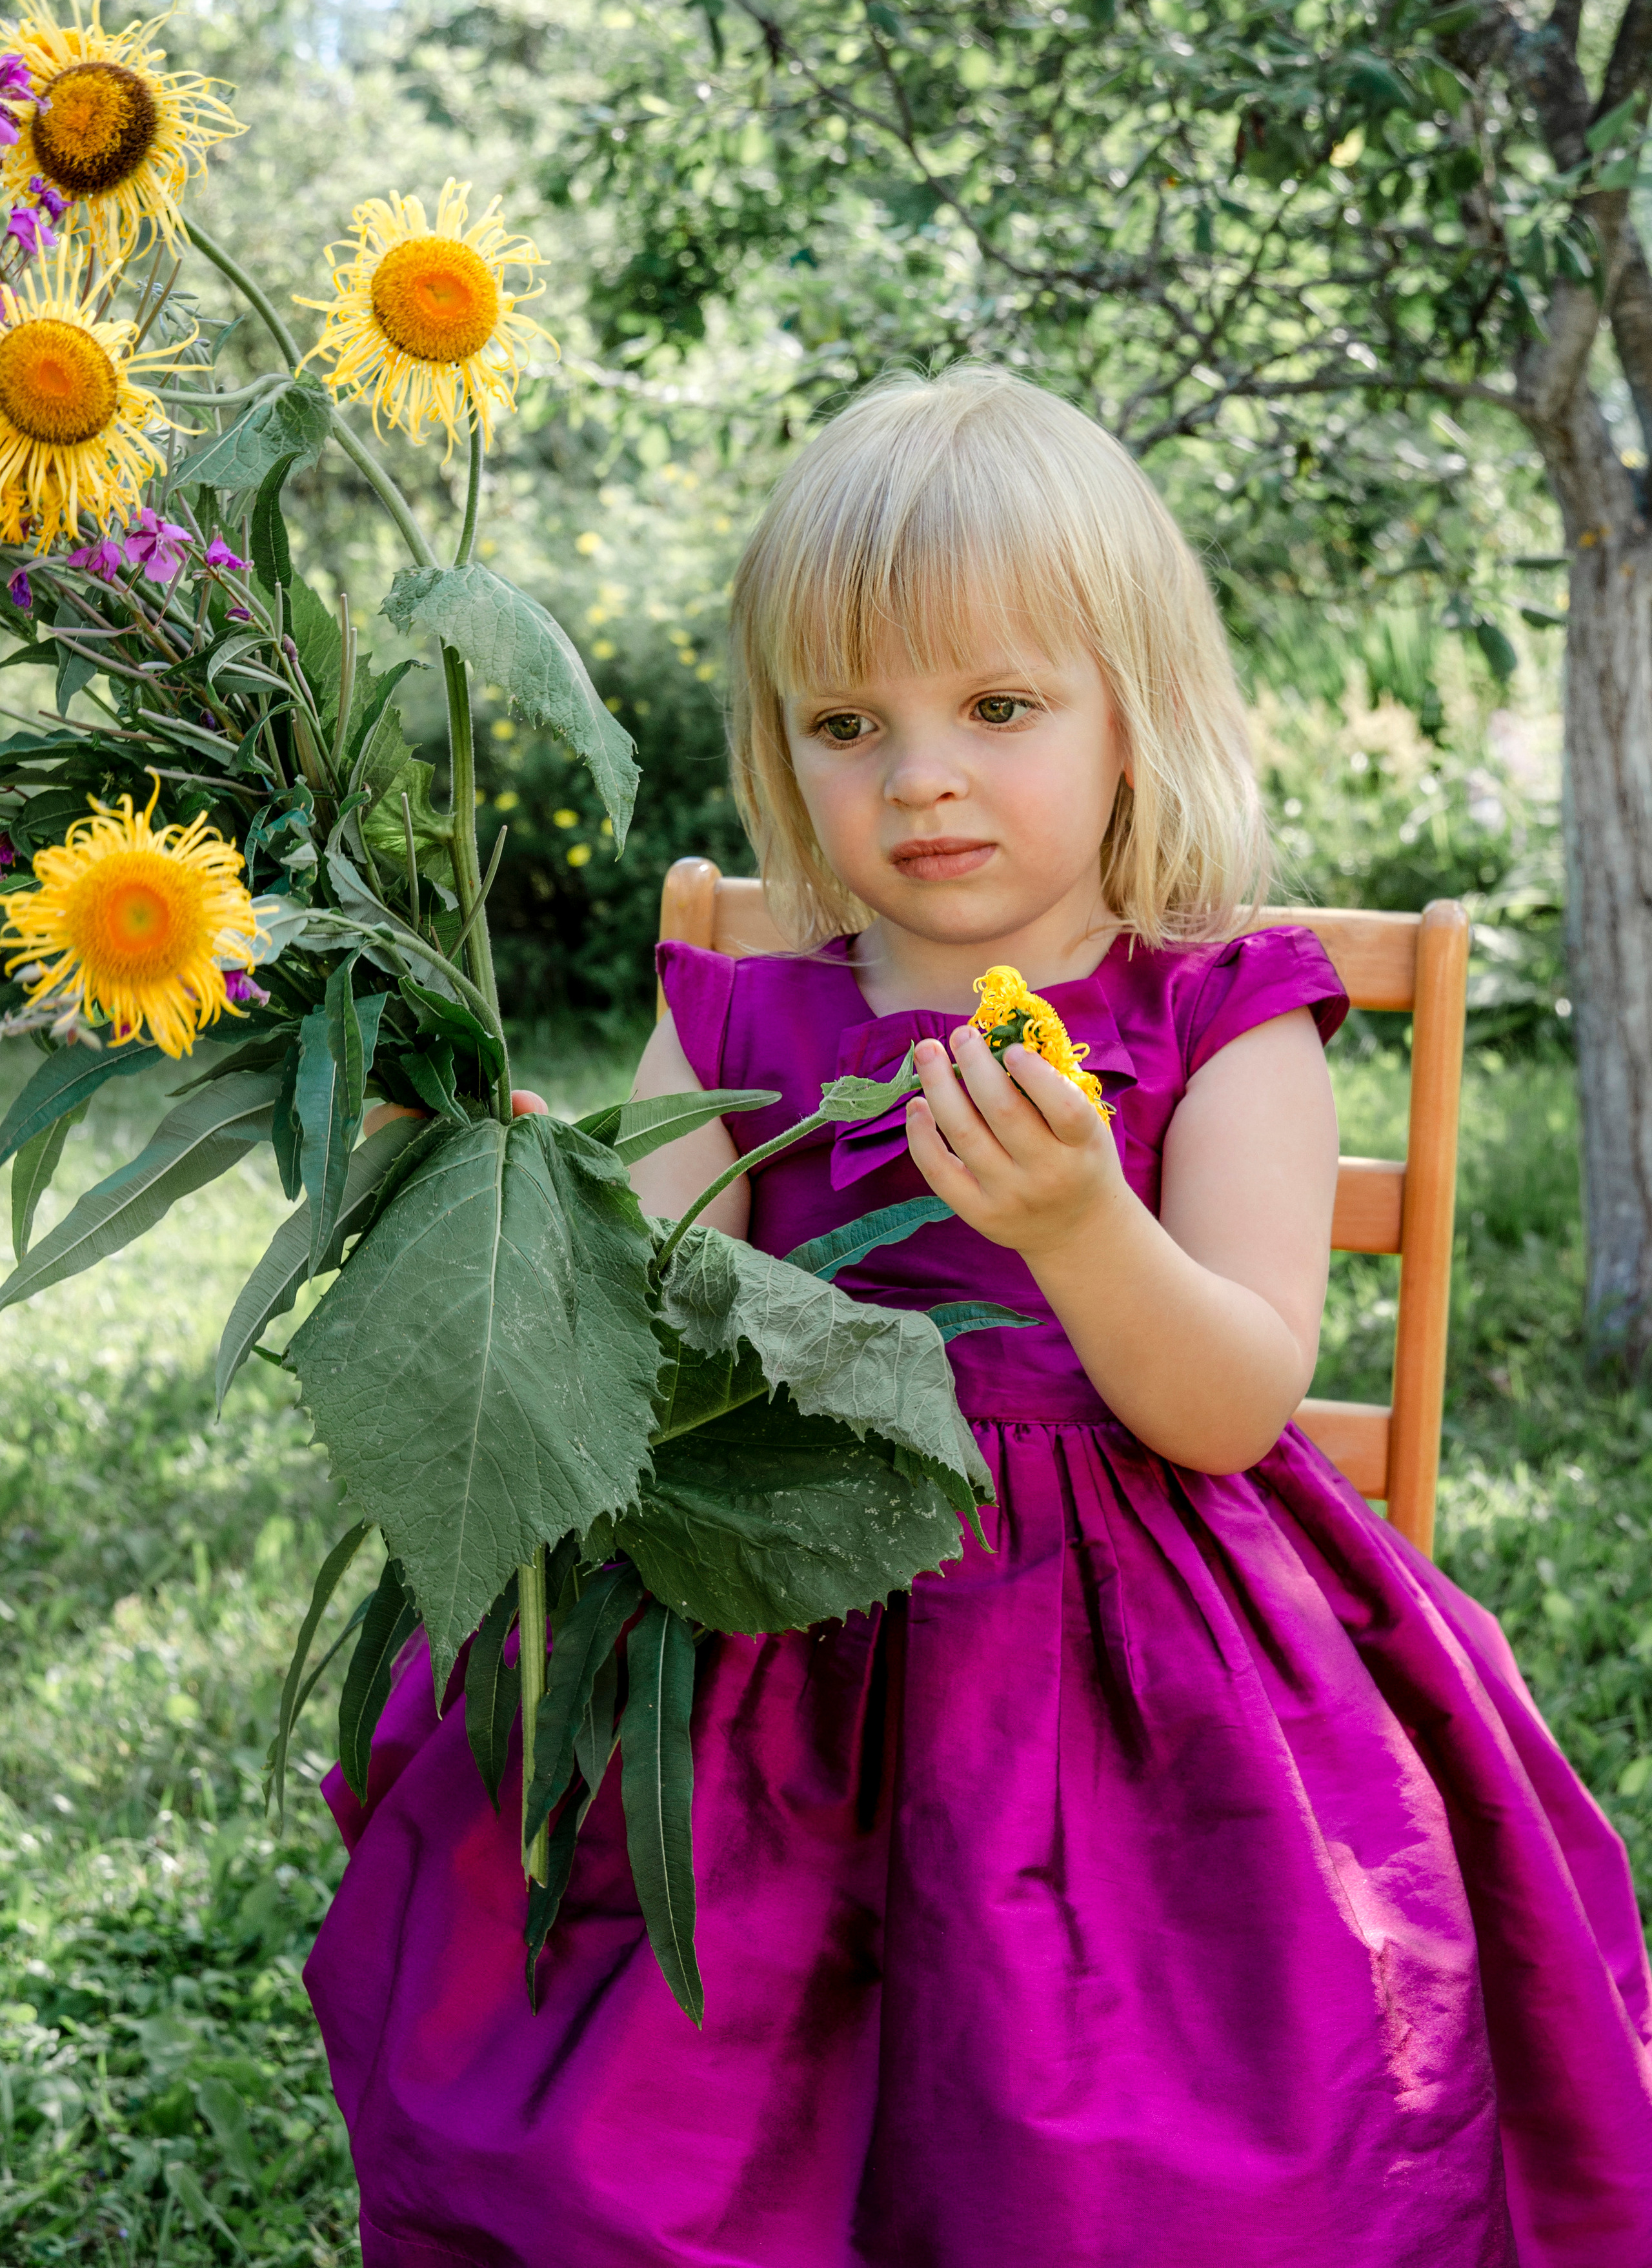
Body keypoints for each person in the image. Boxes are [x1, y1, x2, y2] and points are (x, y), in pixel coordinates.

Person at [307, 366, 1652, 2267]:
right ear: (784, 744)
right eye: (849, 721)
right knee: (640, 2115)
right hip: (779, 1624)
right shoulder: (744, 1009)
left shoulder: (1221, 1010)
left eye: (998, 707)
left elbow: (1233, 1401)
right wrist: (515, 1204)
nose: (919, 774)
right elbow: (648, 1342)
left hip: (1135, 1651)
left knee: (1164, 2134)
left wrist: (1083, 1222)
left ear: (1132, 719)